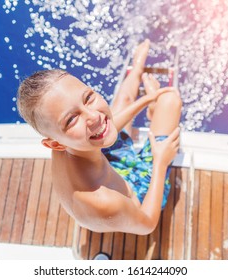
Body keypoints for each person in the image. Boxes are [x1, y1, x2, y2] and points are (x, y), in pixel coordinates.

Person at [17, 39, 182, 235]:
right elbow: (147, 225)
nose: (93, 116)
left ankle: (137, 68)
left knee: (117, 109)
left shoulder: (67, 145)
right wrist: (160, 162)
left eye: (88, 97)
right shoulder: (103, 201)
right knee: (170, 99)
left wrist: (146, 100)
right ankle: (153, 106)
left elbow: (105, 124)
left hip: (106, 161)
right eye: (71, 120)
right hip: (137, 193)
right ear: (54, 143)